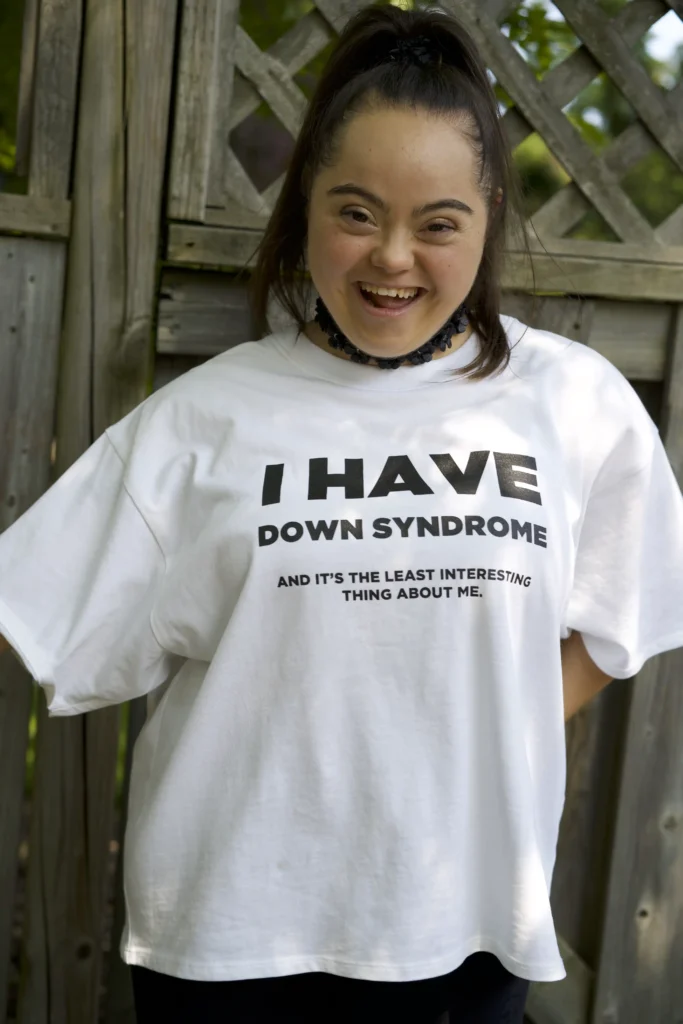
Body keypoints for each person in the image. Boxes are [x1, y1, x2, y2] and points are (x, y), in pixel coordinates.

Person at [1, 3, 683, 1022]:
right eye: (355, 213)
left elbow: (621, 616)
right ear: (302, 204)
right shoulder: (202, 419)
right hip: (227, 939)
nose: (391, 258)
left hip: (462, 928)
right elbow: (42, 607)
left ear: (488, 220)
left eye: (437, 223)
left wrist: (477, 725)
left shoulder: (574, 404)